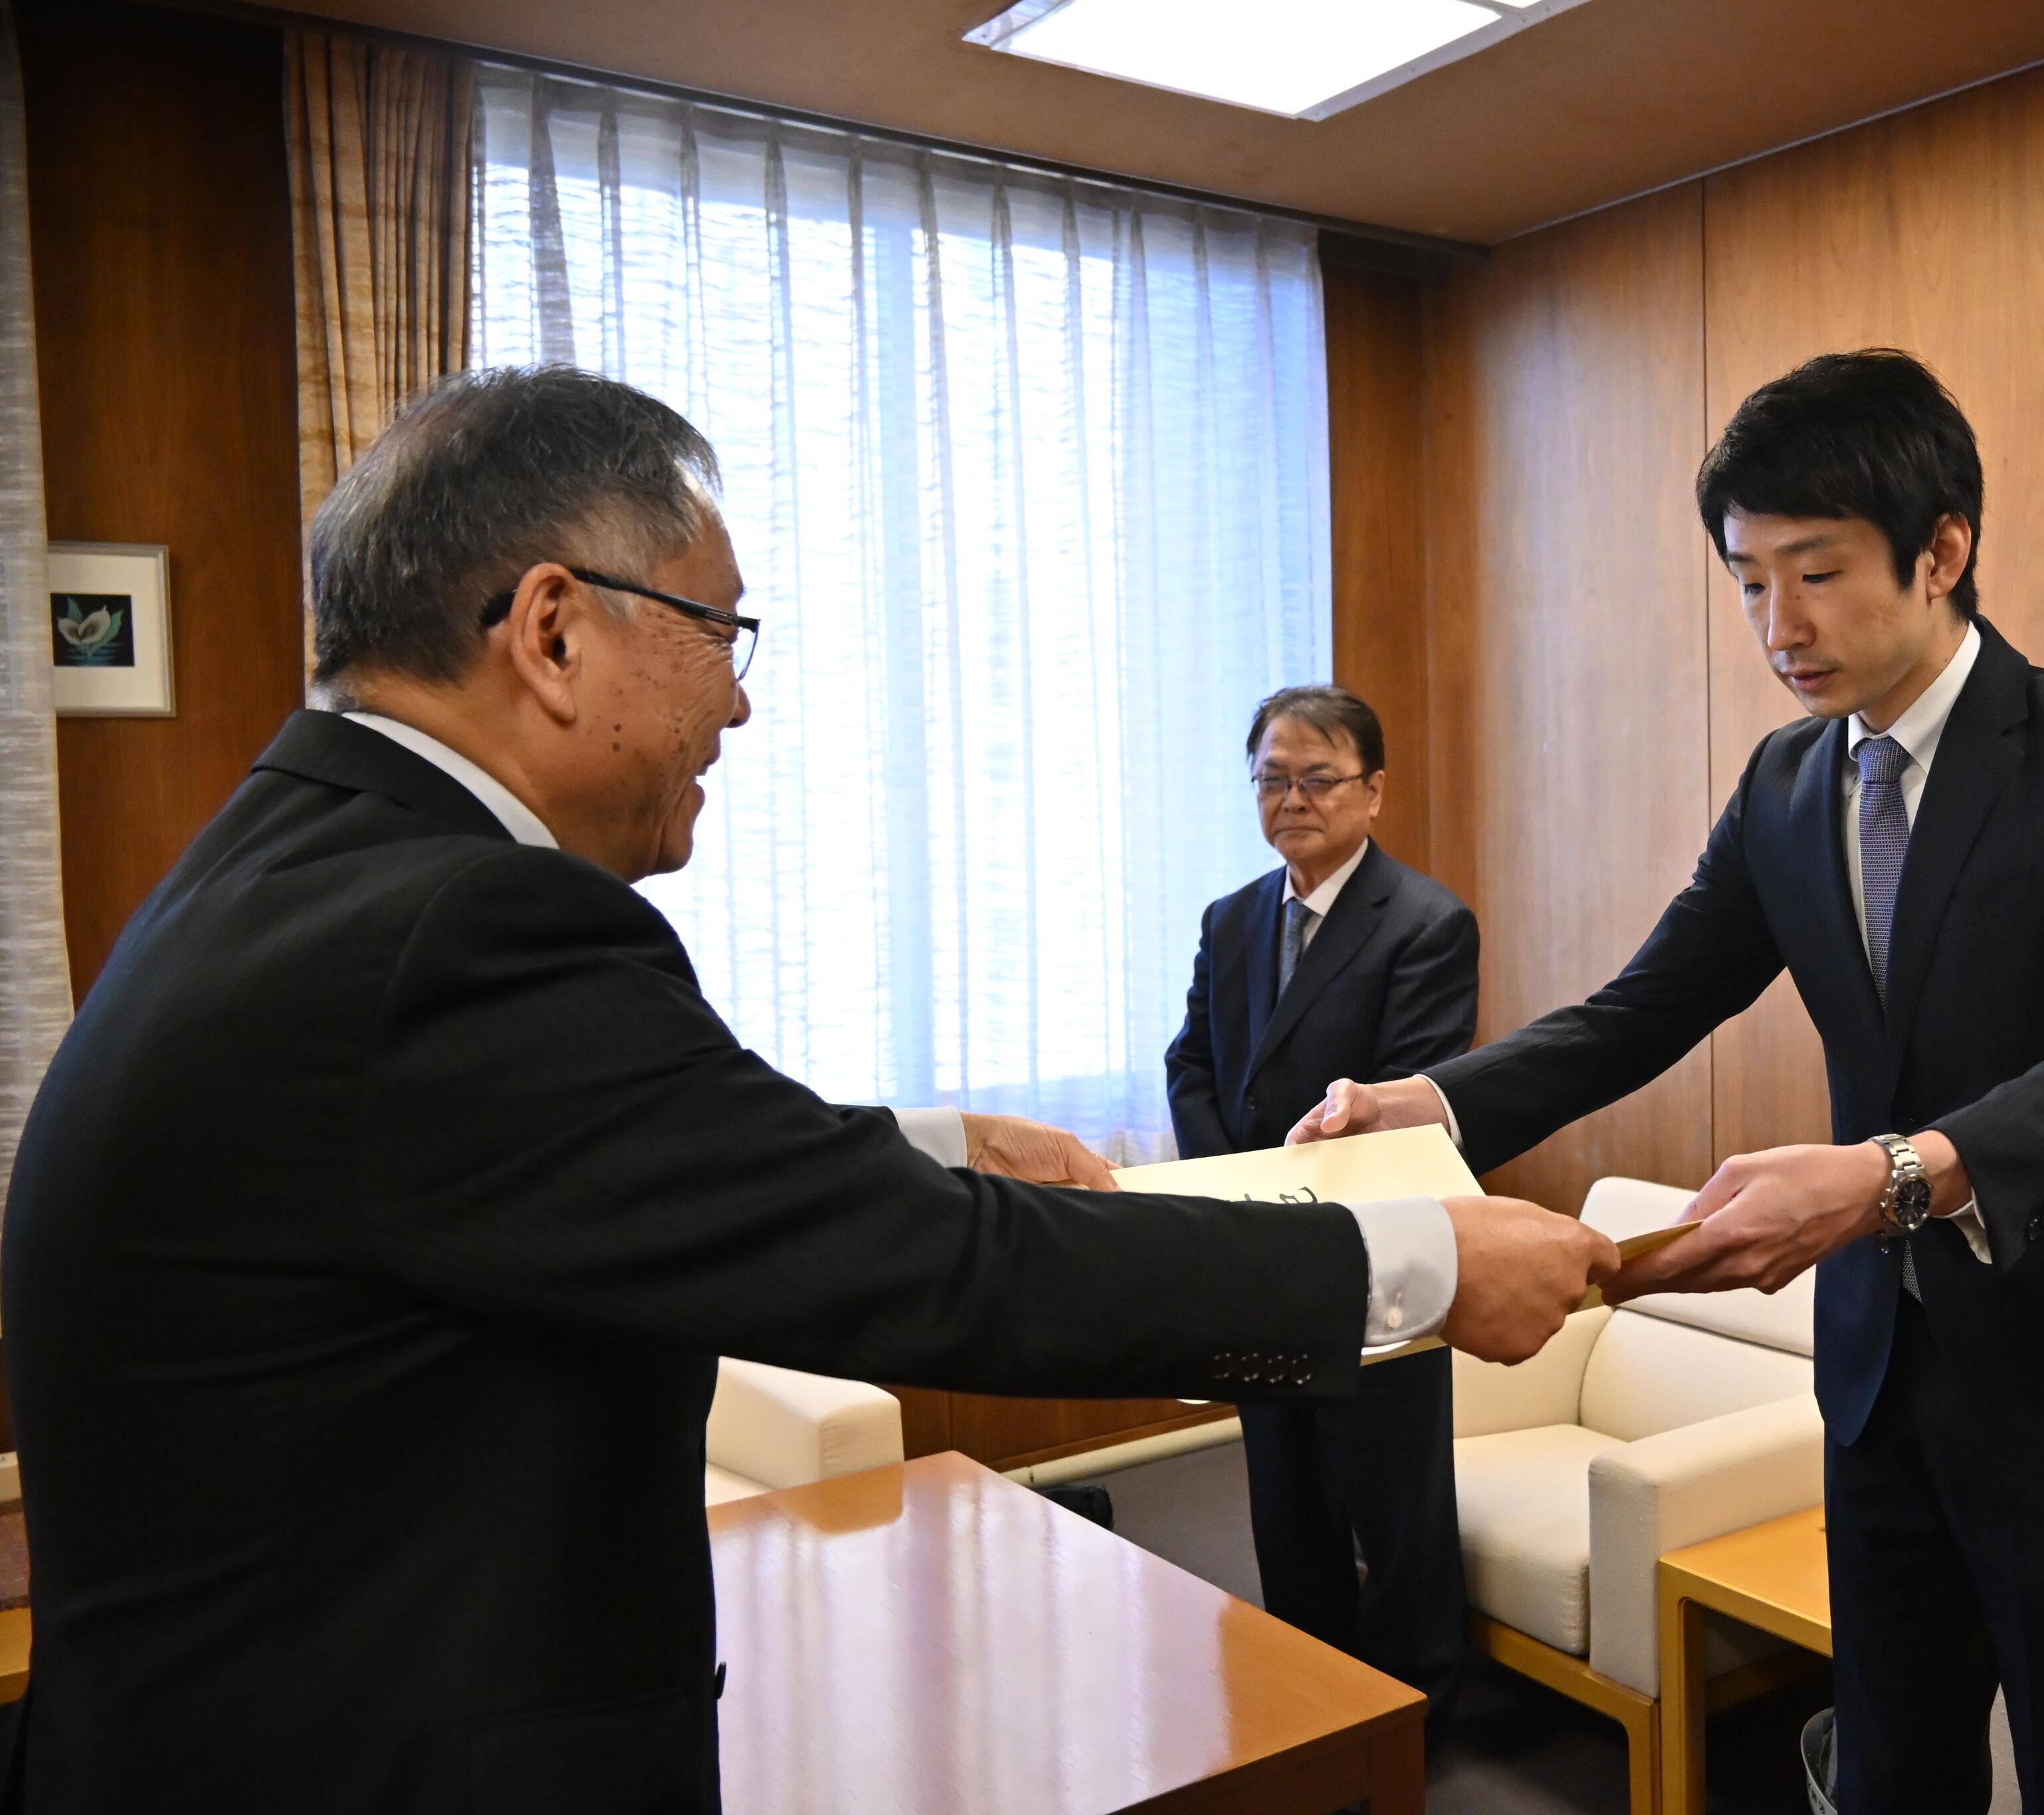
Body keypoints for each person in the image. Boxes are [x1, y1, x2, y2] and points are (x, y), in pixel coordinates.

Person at [0, 366, 1617, 1814]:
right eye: (718, 633)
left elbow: (618, 1155)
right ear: (554, 630)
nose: (741, 701)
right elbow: (927, 1267)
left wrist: (923, 1140)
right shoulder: (467, 924)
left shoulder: (302, 858)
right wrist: (1419, 1268)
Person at [1293, 351, 2044, 1814]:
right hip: (1884, 1377)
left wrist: (1888, 1175)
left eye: (1815, 574)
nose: (1780, 625)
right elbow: (1647, 1007)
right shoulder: (1786, 783)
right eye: (1751, 580)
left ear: (1943, 550)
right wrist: (1431, 1104)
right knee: (1892, 1768)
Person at [1165, 684, 1478, 1739]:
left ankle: (1416, 1722)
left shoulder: (1428, 923)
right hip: (1259, 1246)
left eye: (1318, 778)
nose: (1292, 799)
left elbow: (1409, 1096)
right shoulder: (1233, 917)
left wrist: (1286, 1187)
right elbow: (1195, 1064)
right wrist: (1237, 1183)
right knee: (1283, 1493)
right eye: (1271, 778)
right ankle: (1312, 1709)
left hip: (1375, 1254)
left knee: (1395, 1509)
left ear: (1373, 790)